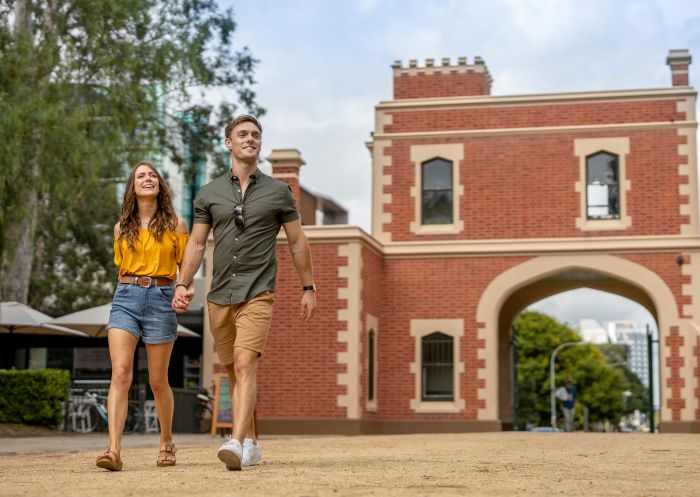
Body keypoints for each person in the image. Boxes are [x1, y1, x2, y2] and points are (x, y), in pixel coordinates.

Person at [172, 114, 316, 471]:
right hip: (219, 294)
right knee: (234, 372)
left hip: (258, 291)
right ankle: (251, 442)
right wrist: (182, 282)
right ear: (229, 143)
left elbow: (298, 242)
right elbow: (196, 243)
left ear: (259, 144)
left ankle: (235, 442)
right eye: (242, 134)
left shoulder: (278, 192)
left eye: (255, 134)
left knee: (245, 361)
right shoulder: (209, 193)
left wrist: (308, 287)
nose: (250, 139)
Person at [95, 162, 189, 471]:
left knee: (158, 381)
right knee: (121, 373)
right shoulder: (121, 227)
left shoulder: (177, 224)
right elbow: (121, 266)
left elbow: (185, 267)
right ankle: (113, 450)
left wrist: (183, 290)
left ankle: (166, 440)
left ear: (160, 185)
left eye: (152, 175)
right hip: (125, 296)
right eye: (140, 176)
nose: (147, 179)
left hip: (161, 297)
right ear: (132, 187)